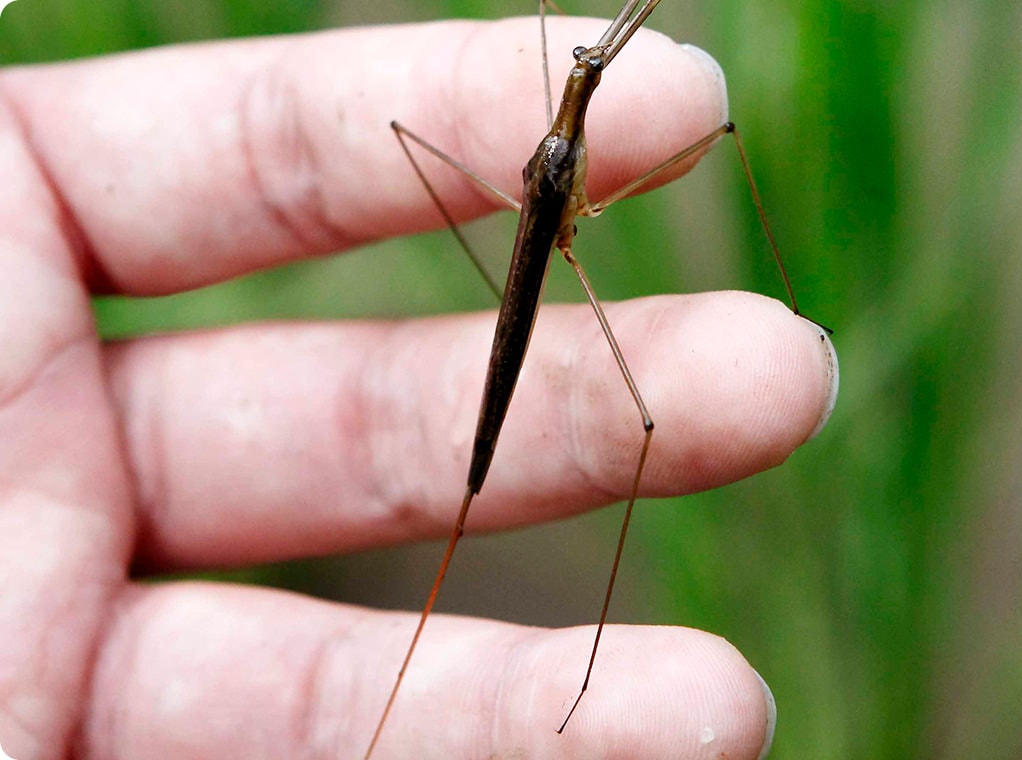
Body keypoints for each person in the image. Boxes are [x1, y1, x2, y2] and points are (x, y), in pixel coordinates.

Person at [0, 13, 837, 760]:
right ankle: (579, 670)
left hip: (541, 231)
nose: (589, 64)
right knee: (645, 420)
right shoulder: (557, 160)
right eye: (589, 64)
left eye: (590, 65)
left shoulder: (559, 144)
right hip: (531, 285)